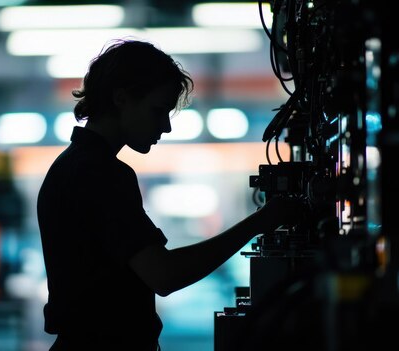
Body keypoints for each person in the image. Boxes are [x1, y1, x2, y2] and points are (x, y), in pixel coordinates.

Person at [36, 38, 293, 351]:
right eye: (158, 110)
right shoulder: (99, 174)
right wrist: (258, 223)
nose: (166, 127)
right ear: (121, 99)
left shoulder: (71, 166)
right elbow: (164, 274)